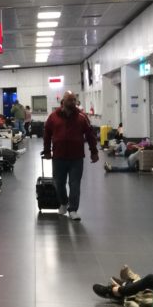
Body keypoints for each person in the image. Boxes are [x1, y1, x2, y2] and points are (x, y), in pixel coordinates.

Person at [42, 91, 99, 220]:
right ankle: (63, 203)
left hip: (76, 157)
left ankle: (73, 209)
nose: (73, 102)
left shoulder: (82, 117)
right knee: (58, 183)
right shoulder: (53, 117)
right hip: (58, 157)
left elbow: (90, 135)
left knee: (75, 184)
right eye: (70, 100)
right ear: (63, 101)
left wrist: (94, 152)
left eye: (74, 100)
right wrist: (46, 151)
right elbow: (47, 135)